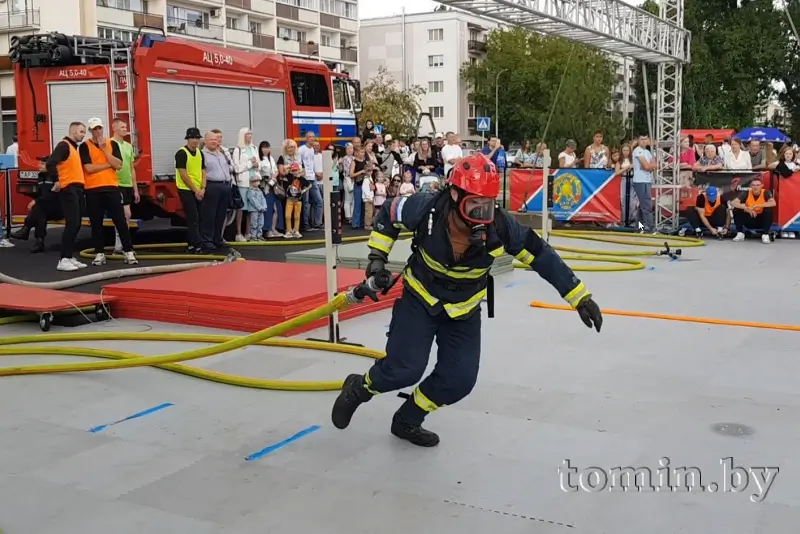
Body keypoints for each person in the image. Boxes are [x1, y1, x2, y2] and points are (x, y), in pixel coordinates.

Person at [330, 152, 603, 447]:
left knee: (459, 380)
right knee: (404, 369)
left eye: (487, 206)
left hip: (463, 312)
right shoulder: (426, 207)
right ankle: (359, 389)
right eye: (474, 205)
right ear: (454, 193)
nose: (482, 215)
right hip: (419, 301)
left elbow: (541, 256)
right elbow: (389, 215)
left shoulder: (500, 227)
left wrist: (579, 296)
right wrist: (377, 260)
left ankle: (407, 419)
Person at [79, 117, 138, 266]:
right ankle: (99, 252)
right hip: (93, 189)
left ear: (103, 129)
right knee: (96, 223)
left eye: (99, 128)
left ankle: (128, 250)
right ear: (90, 131)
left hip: (111, 186)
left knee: (120, 220)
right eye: (94, 129)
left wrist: (104, 149)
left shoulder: (111, 144)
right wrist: (108, 165)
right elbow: (88, 168)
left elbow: (118, 165)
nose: (97, 131)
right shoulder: (85, 146)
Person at [47, 121, 88, 271]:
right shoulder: (64, 145)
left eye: (84, 132)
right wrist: (57, 180)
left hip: (77, 187)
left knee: (76, 223)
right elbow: (50, 163)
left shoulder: (73, 148)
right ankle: (63, 259)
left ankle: (69, 256)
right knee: (72, 223)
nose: (83, 135)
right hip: (68, 188)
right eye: (81, 132)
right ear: (73, 132)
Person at [11, 157, 63, 253]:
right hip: (46, 208)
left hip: (59, 208)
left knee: (39, 207)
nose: (39, 166)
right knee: (40, 212)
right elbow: (41, 194)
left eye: (42, 164)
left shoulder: (55, 177)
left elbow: (51, 195)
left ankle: (26, 229)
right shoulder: (41, 176)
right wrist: (35, 199)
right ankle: (39, 241)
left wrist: (36, 201)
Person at [175, 127, 207, 253]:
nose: (195, 141)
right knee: (193, 218)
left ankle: (193, 243)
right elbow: (183, 175)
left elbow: (204, 171)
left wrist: (203, 188)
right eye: (192, 138)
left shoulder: (200, 153)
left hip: (199, 189)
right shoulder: (181, 153)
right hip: (186, 189)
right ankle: (196, 245)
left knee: (200, 217)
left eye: (197, 138)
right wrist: (195, 190)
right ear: (187, 139)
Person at [110, 118, 139, 254]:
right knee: (123, 214)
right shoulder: (110, 144)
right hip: (116, 183)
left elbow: (131, 168)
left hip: (127, 184)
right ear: (114, 128)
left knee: (127, 215)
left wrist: (136, 189)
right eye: (122, 127)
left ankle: (122, 244)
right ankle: (119, 245)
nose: (125, 129)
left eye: (125, 127)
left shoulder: (128, 146)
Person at [730, 177, 775, 244]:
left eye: (758, 185)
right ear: (751, 186)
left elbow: (773, 203)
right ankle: (740, 233)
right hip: (749, 220)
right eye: (753, 185)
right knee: (736, 209)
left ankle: (765, 234)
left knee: (768, 209)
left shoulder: (766, 192)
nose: (755, 187)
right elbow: (733, 202)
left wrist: (758, 205)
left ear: (762, 185)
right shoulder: (746, 192)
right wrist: (746, 208)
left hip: (761, 221)